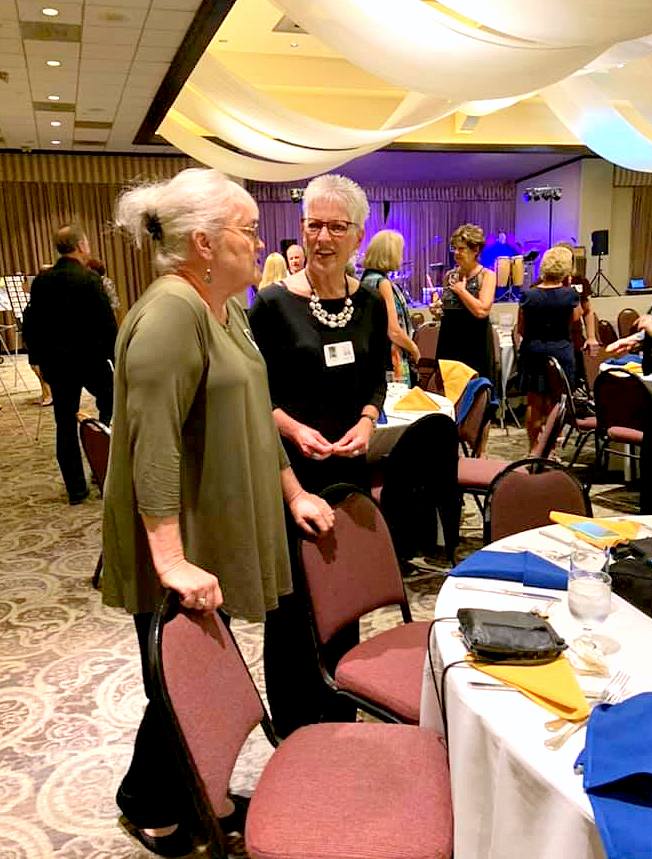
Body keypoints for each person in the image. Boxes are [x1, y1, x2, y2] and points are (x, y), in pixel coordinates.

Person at [102, 168, 333, 858]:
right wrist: (170, 558)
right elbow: (151, 443)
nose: (261, 241)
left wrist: (292, 491)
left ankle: (190, 791)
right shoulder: (171, 313)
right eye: (247, 230)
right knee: (182, 679)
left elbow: (255, 414)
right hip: (180, 531)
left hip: (213, 521)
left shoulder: (225, 308)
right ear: (203, 242)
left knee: (204, 672)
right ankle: (149, 802)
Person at [249, 173, 388, 737]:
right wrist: (291, 427)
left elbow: (376, 378)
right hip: (291, 470)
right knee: (294, 599)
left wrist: (368, 420)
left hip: (347, 467)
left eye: (336, 227)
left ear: (358, 235)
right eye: (313, 225)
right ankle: (296, 721)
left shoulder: (370, 302)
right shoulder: (272, 304)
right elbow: (254, 393)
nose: (322, 238)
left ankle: (340, 705)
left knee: (341, 588)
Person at [27, 224, 117, 504]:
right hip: (91, 361)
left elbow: (34, 324)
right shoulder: (89, 280)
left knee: (64, 424)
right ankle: (101, 454)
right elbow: (107, 325)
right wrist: (117, 358)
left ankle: (76, 490)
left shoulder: (41, 282)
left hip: (58, 365)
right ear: (81, 246)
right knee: (111, 402)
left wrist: (38, 359)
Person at [518, 246, 582, 450]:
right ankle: (551, 449)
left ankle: (533, 449)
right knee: (556, 403)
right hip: (560, 351)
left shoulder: (528, 295)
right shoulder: (570, 295)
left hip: (533, 351)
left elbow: (520, 329)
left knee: (534, 402)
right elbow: (576, 318)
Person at [432, 223, 497, 383]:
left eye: (461, 249)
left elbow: (482, 311)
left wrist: (461, 291)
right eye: (454, 248)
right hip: (449, 341)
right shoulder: (449, 276)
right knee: (448, 388)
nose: (456, 253)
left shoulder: (487, 275)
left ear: (475, 250)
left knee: (475, 390)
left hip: (474, 343)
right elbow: (448, 310)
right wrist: (438, 310)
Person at [359, 229, 420, 384]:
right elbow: (393, 330)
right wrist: (414, 349)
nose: (401, 257)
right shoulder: (382, 283)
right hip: (390, 356)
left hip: (372, 353)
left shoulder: (366, 279)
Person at [554, 241, 599, 373]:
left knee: (577, 374)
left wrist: (591, 337)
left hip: (575, 337)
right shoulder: (544, 283)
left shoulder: (580, 281)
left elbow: (587, 311)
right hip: (554, 338)